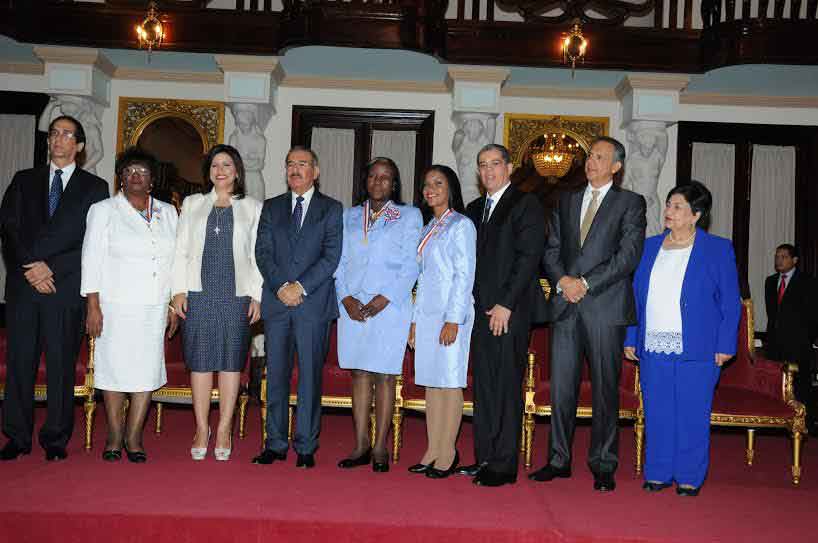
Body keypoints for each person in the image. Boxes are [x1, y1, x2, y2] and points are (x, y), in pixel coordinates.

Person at [533, 136, 646, 492]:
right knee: (562, 389)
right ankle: (558, 459)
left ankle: (603, 463)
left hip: (604, 308)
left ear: (616, 166)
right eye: (590, 156)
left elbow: (628, 256)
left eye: (600, 157)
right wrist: (564, 281)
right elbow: (550, 250)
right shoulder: (566, 200)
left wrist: (585, 282)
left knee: (604, 390)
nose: (591, 162)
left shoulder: (630, 202)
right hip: (566, 305)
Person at [0, 115, 109, 461]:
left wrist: (52, 267)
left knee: (61, 364)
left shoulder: (95, 187)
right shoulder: (23, 180)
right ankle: (16, 435)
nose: (59, 139)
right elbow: (8, 229)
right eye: (55, 133)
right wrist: (31, 268)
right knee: (20, 362)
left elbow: (94, 243)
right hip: (24, 286)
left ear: (79, 145)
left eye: (67, 134)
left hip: (64, 288)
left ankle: (55, 438)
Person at [624, 181, 741, 496]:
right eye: (668, 205)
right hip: (653, 344)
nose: (668, 212)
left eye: (677, 207)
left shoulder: (717, 248)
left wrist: (725, 345)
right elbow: (635, 298)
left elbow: (730, 302)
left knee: (692, 411)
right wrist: (632, 335)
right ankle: (658, 472)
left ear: (696, 215)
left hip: (699, 347)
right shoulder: (649, 247)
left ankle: (690, 476)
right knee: (658, 410)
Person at [81, 148, 179, 463]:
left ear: (152, 180)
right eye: (129, 171)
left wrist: (172, 305)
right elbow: (91, 260)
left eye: (142, 171)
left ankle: (135, 436)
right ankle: (113, 434)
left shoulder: (169, 212)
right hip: (115, 306)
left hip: (154, 307)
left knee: (145, 371)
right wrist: (93, 306)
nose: (135, 176)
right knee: (114, 370)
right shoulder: (103, 210)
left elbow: (176, 262)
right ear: (120, 179)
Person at [455, 144, 545, 487]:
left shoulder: (526, 203)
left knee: (506, 385)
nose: (489, 171)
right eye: (482, 165)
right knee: (485, 387)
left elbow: (528, 258)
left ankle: (504, 466)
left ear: (508, 168)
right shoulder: (475, 208)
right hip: (479, 311)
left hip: (510, 310)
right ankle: (484, 458)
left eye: (495, 164)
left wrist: (506, 303)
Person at [171, 144, 263, 462]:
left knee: (230, 362)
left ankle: (223, 428)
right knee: (199, 361)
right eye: (214, 165)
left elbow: (257, 257)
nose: (220, 170)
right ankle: (200, 427)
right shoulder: (193, 203)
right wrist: (178, 291)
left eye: (226, 164)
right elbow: (181, 250)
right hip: (198, 292)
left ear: (237, 170)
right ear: (208, 171)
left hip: (236, 294)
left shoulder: (253, 207)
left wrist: (257, 296)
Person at [253, 146, 342, 468]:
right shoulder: (272, 207)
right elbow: (262, 253)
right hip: (277, 305)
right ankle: (274, 443)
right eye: (290, 163)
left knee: (309, 378)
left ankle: (306, 444)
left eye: (302, 164)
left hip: (312, 305)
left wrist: (300, 287)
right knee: (274, 375)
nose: (295, 169)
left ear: (315, 171)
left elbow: (331, 256)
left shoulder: (331, 209)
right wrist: (280, 287)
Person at [335, 157, 422, 473]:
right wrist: (344, 297)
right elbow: (338, 260)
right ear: (365, 181)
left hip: (390, 308)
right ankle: (360, 444)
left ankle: (381, 446)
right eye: (372, 176)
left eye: (385, 177)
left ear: (394, 184)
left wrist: (384, 299)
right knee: (359, 373)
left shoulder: (408, 216)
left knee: (385, 375)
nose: (378, 182)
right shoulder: (350, 216)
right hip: (352, 307)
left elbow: (412, 263)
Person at [407, 165, 476, 478]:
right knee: (432, 384)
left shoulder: (461, 225)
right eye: (426, 184)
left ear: (451, 189)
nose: (430, 189)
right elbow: (420, 279)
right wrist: (414, 322)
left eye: (438, 183)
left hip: (452, 314)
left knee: (449, 382)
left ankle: (448, 451)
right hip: (427, 313)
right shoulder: (427, 227)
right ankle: (432, 448)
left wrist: (453, 319)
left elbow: (464, 275)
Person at [764, 244, 818, 434]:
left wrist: (807, 340)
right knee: (776, 385)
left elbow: (812, 314)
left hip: (798, 345)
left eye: (784, 257)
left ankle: (802, 424)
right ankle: (777, 424)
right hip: (775, 345)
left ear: (794, 260)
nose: (779, 260)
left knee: (799, 386)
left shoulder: (807, 282)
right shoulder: (770, 282)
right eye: (777, 256)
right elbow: (773, 315)